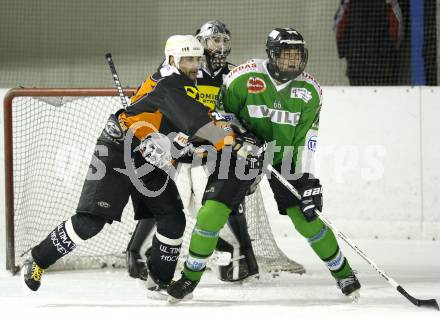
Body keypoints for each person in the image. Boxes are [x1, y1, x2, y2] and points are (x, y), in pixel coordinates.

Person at [22, 34, 258, 295]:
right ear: (172, 60)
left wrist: (208, 143)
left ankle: (159, 279)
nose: (194, 65)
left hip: (149, 157)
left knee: (172, 220)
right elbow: (199, 124)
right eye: (188, 59)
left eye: (196, 59)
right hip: (118, 150)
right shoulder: (169, 84)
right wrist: (233, 142)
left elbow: (189, 133)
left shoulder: (183, 85)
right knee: (90, 222)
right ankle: (37, 259)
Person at [167, 28, 361, 302]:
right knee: (210, 214)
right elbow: (220, 116)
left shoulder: (310, 91)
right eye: (286, 55)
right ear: (271, 55)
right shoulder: (243, 77)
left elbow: (308, 140)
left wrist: (309, 180)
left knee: (306, 218)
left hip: (283, 157)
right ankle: (189, 278)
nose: (292, 61)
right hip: (240, 154)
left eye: (297, 55)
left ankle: (344, 274)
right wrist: (238, 138)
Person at [126, 20, 259, 283]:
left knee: (223, 200)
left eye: (224, 41)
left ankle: (242, 256)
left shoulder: (233, 76)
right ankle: (137, 251)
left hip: (213, 145)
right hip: (180, 146)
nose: (220, 46)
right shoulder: (181, 71)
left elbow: (237, 113)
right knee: (165, 201)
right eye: (214, 40)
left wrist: (237, 132)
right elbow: (161, 100)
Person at [334, 0, 404, 85]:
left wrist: (345, 51)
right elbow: (397, 28)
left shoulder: (347, 2)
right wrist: (392, 53)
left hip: (356, 66)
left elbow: (339, 27)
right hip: (381, 66)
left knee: (358, 97)